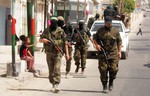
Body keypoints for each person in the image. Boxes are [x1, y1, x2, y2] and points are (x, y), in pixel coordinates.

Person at [39, 17, 69, 93]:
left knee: (57, 68)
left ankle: (56, 84)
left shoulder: (61, 31)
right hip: (49, 53)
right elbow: (40, 39)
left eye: (55, 22)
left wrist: (67, 54)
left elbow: (65, 43)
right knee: (51, 70)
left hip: (58, 53)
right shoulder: (46, 30)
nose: (54, 24)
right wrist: (44, 40)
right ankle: (52, 83)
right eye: (52, 22)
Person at [93, 16, 122, 93]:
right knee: (103, 70)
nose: (108, 24)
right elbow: (94, 39)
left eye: (109, 23)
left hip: (113, 53)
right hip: (103, 53)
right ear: (105, 23)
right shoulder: (100, 31)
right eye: (107, 23)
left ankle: (111, 81)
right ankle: (105, 86)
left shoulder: (115, 31)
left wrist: (119, 52)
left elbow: (119, 42)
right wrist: (97, 45)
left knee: (114, 69)